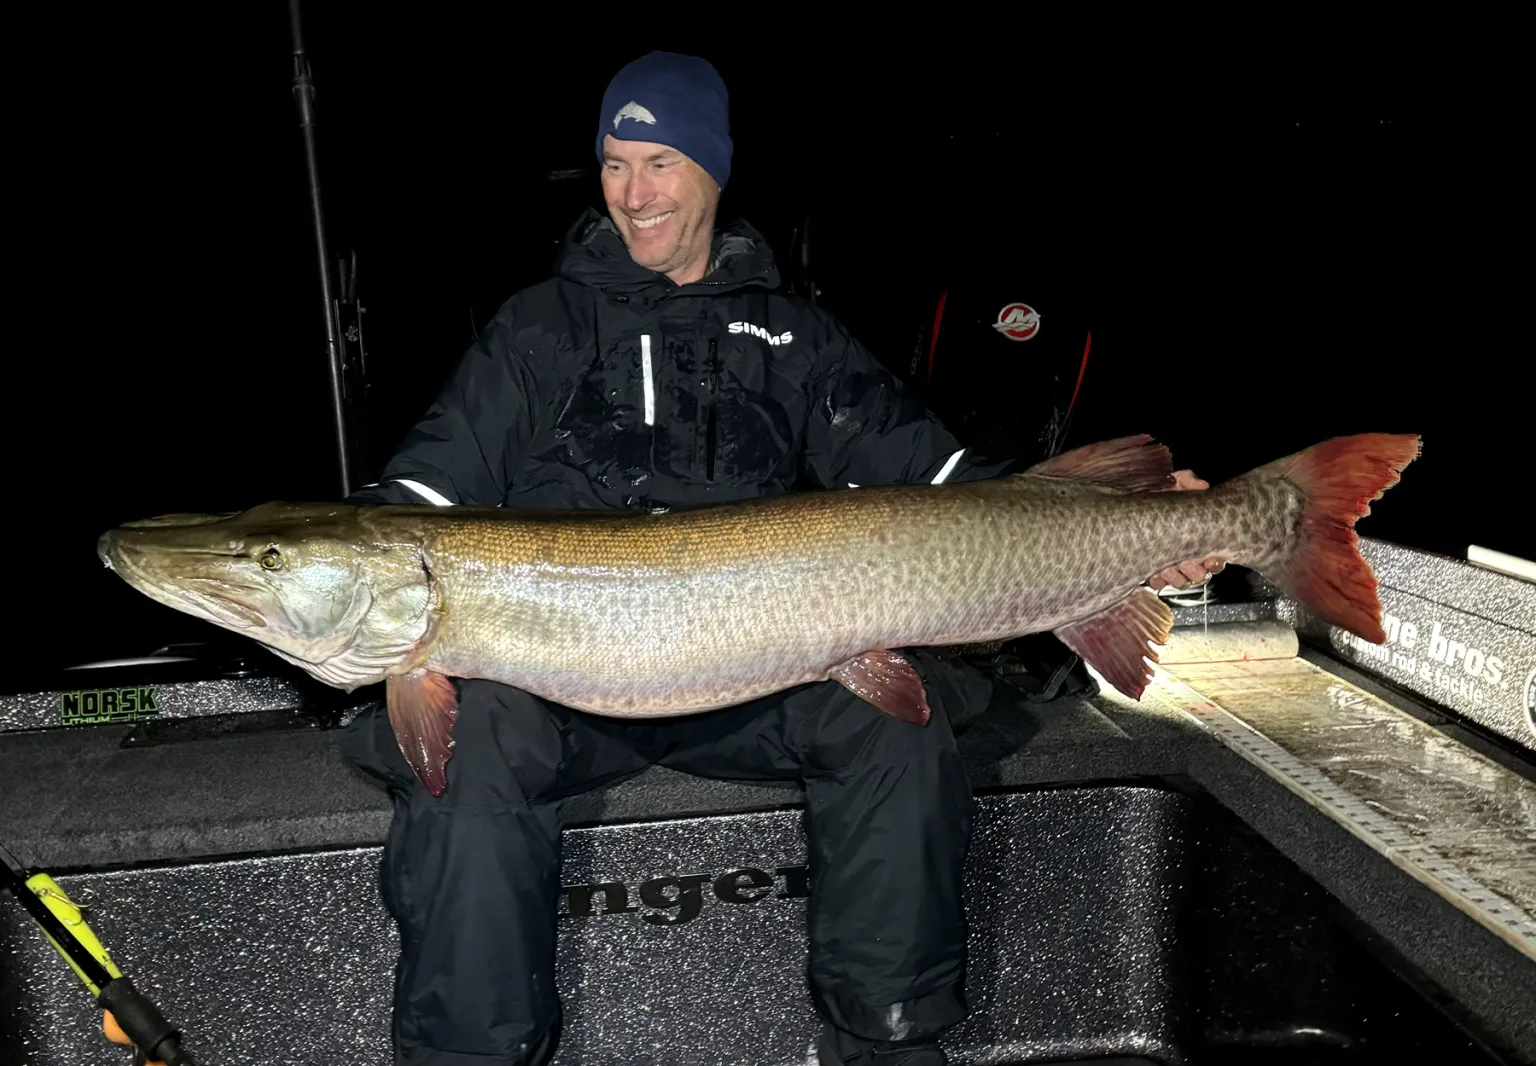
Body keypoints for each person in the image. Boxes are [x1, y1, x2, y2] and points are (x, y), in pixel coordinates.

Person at [339, 51, 1222, 1066]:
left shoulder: (793, 336)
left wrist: (1131, 525)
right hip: (561, 679)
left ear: (713, 170)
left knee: (898, 726)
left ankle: (886, 1038)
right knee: (470, 749)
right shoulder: (534, 332)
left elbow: (948, 481)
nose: (635, 194)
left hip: (759, 664)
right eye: (616, 165)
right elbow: (415, 496)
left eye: (660, 162)